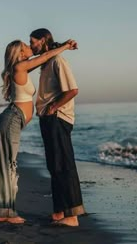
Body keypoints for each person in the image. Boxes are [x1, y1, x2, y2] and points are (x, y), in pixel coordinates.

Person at [0, 39, 77, 224]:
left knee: (7, 166)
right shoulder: (20, 66)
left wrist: (56, 45)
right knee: (8, 166)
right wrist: (66, 47)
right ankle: (7, 213)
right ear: (20, 53)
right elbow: (44, 56)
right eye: (27, 46)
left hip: (13, 120)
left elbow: (43, 55)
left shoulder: (20, 67)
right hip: (11, 119)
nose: (31, 48)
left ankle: (2, 211)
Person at [30, 28, 85, 227]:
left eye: (33, 42)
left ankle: (72, 216)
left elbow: (72, 90)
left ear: (43, 40)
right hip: (48, 119)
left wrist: (53, 108)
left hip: (58, 118)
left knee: (63, 164)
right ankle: (59, 212)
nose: (31, 46)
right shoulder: (46, 62)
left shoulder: (57, 61)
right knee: (54, 165)